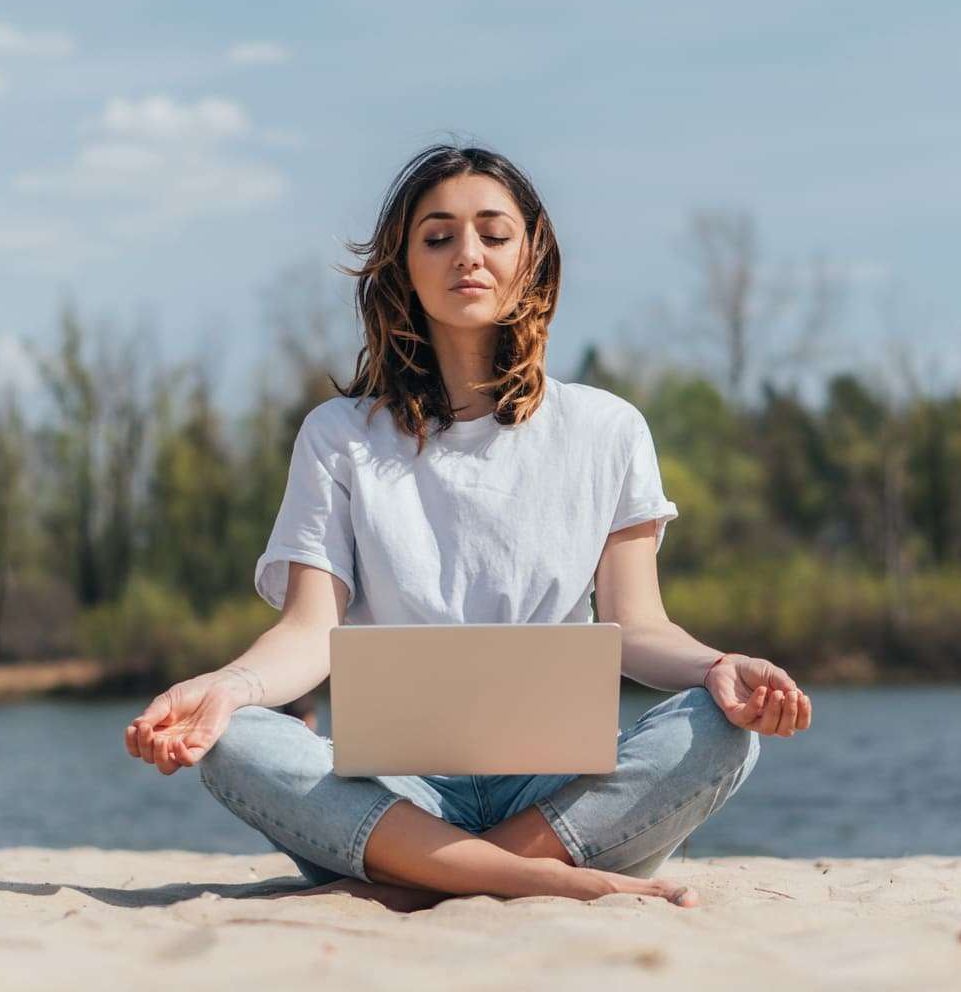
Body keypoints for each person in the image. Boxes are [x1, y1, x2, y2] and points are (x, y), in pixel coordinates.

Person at [124, 142, 812, 914]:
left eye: (494, 233)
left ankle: (428, 874)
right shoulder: (339, 435)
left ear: (533, 255)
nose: (468, 256)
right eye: (439, 235)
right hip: (396, 788)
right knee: (233, 738)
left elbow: (635, 627)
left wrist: (719, 664)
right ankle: (535, 879)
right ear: (403, 265)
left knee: (723, 730)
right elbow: (309, 631)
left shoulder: (607, 429)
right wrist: (224, 688)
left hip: (556, 786)